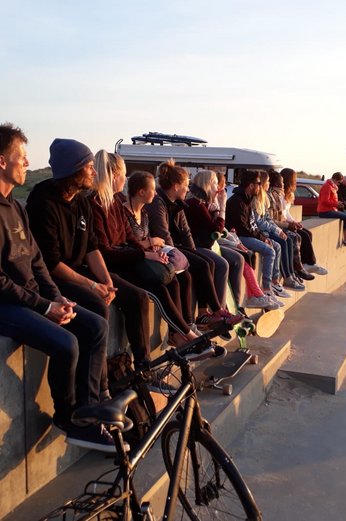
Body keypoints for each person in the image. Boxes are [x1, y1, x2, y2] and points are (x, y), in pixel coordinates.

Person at [0, 123, 114, 452]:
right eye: (21, 157)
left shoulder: (14, 207)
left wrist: (56, 297)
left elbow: (37, 262)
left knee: (94, 326)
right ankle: (68, 418)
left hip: (25, 298)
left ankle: (88, 408)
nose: (27, 163)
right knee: (66, 343)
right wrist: (43, 307)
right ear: (1, 161)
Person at [27, 138, 159, 380]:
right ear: (73, 169)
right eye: (89, 167)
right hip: (53, 276)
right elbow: (51, 262)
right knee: (97, 305)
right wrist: (92, 285)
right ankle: (99, 382)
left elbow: (92, 248)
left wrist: (107, 282)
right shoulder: (42, 202)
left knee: (135, 296)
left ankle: (143, 367)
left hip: (79, 268)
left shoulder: (80, 201)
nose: (94, 172)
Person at [88, 151, 200, 348]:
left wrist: (152, 255)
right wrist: (145, 254)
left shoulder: (114, 203)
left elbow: (129, 238)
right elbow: (104, 251)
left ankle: (181, 335)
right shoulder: (95, 205)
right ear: (115, 176)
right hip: (113, 265)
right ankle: (185, 338)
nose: (125, 178)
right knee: (149, 293)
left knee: (172, 281)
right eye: (124, 173)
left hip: (126, 258)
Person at [145, 159, 242, 329]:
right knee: (198, 268)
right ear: (176, 186)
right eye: (185, 184)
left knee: (206, 262)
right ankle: (210, 314)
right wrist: (187, 256)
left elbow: (186, 231)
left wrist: (192, 252)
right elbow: (163, 234)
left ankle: (205, 313)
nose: (188, 188)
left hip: (177, 246)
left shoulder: (179, 203)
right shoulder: (158, 202)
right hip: (165, 248)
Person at [184, 170, 247, 310]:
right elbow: (216, 228)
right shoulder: (195, 203)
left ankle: (235, 306)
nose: (219, 188)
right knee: (222, 264)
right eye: (216, 184)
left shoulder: (206, 203)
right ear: (207, 184)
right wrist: (222, 206)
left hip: (209, 245)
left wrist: (216, 207)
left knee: (237, 259)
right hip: (197, 246)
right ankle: (219, 309)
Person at [226, 168, 289, 299]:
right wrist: (262, 238)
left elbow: (252, 224)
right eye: (258, 183)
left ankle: (273, 284)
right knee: (270, 250)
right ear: (251, 185)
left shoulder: (247, 199)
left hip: (247, 234)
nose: (260, 186)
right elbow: (244, 228)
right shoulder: (237, 201)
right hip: (239, 237)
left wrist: (262, 237)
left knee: (274, 245)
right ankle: (266, 288)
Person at [253, 171, 305, 291]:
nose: (269, 184)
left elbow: (269, 219)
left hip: (268, 229)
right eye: (268, 182)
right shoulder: (264, 198)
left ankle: (293, 273)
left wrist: (280, 228)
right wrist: (281, 228)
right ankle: (279, 280)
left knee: (295, 237)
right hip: (261, 232)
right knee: (281, 243)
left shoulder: (265, 197)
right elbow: (261, 222)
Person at [278, 168, 327, 275]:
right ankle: (307, 264)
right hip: (282, 224)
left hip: (287, 222)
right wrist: (291, 223)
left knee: (308, 233)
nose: (296, 181)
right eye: (294, 179)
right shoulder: (280, 195)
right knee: (302, 236)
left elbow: (287, 212)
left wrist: (294, 221)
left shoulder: (289, 194)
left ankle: (307, 263)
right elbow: (281, 214)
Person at [318, 172, 346, 246]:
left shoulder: (332, 187)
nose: (339, 184)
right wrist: (336, 204)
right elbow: (324, 201)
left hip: (331, 209)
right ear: (335, 179)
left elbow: (331, 200)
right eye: (339, 182)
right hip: (324, 211)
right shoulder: (327, 187)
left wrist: (338, 203)